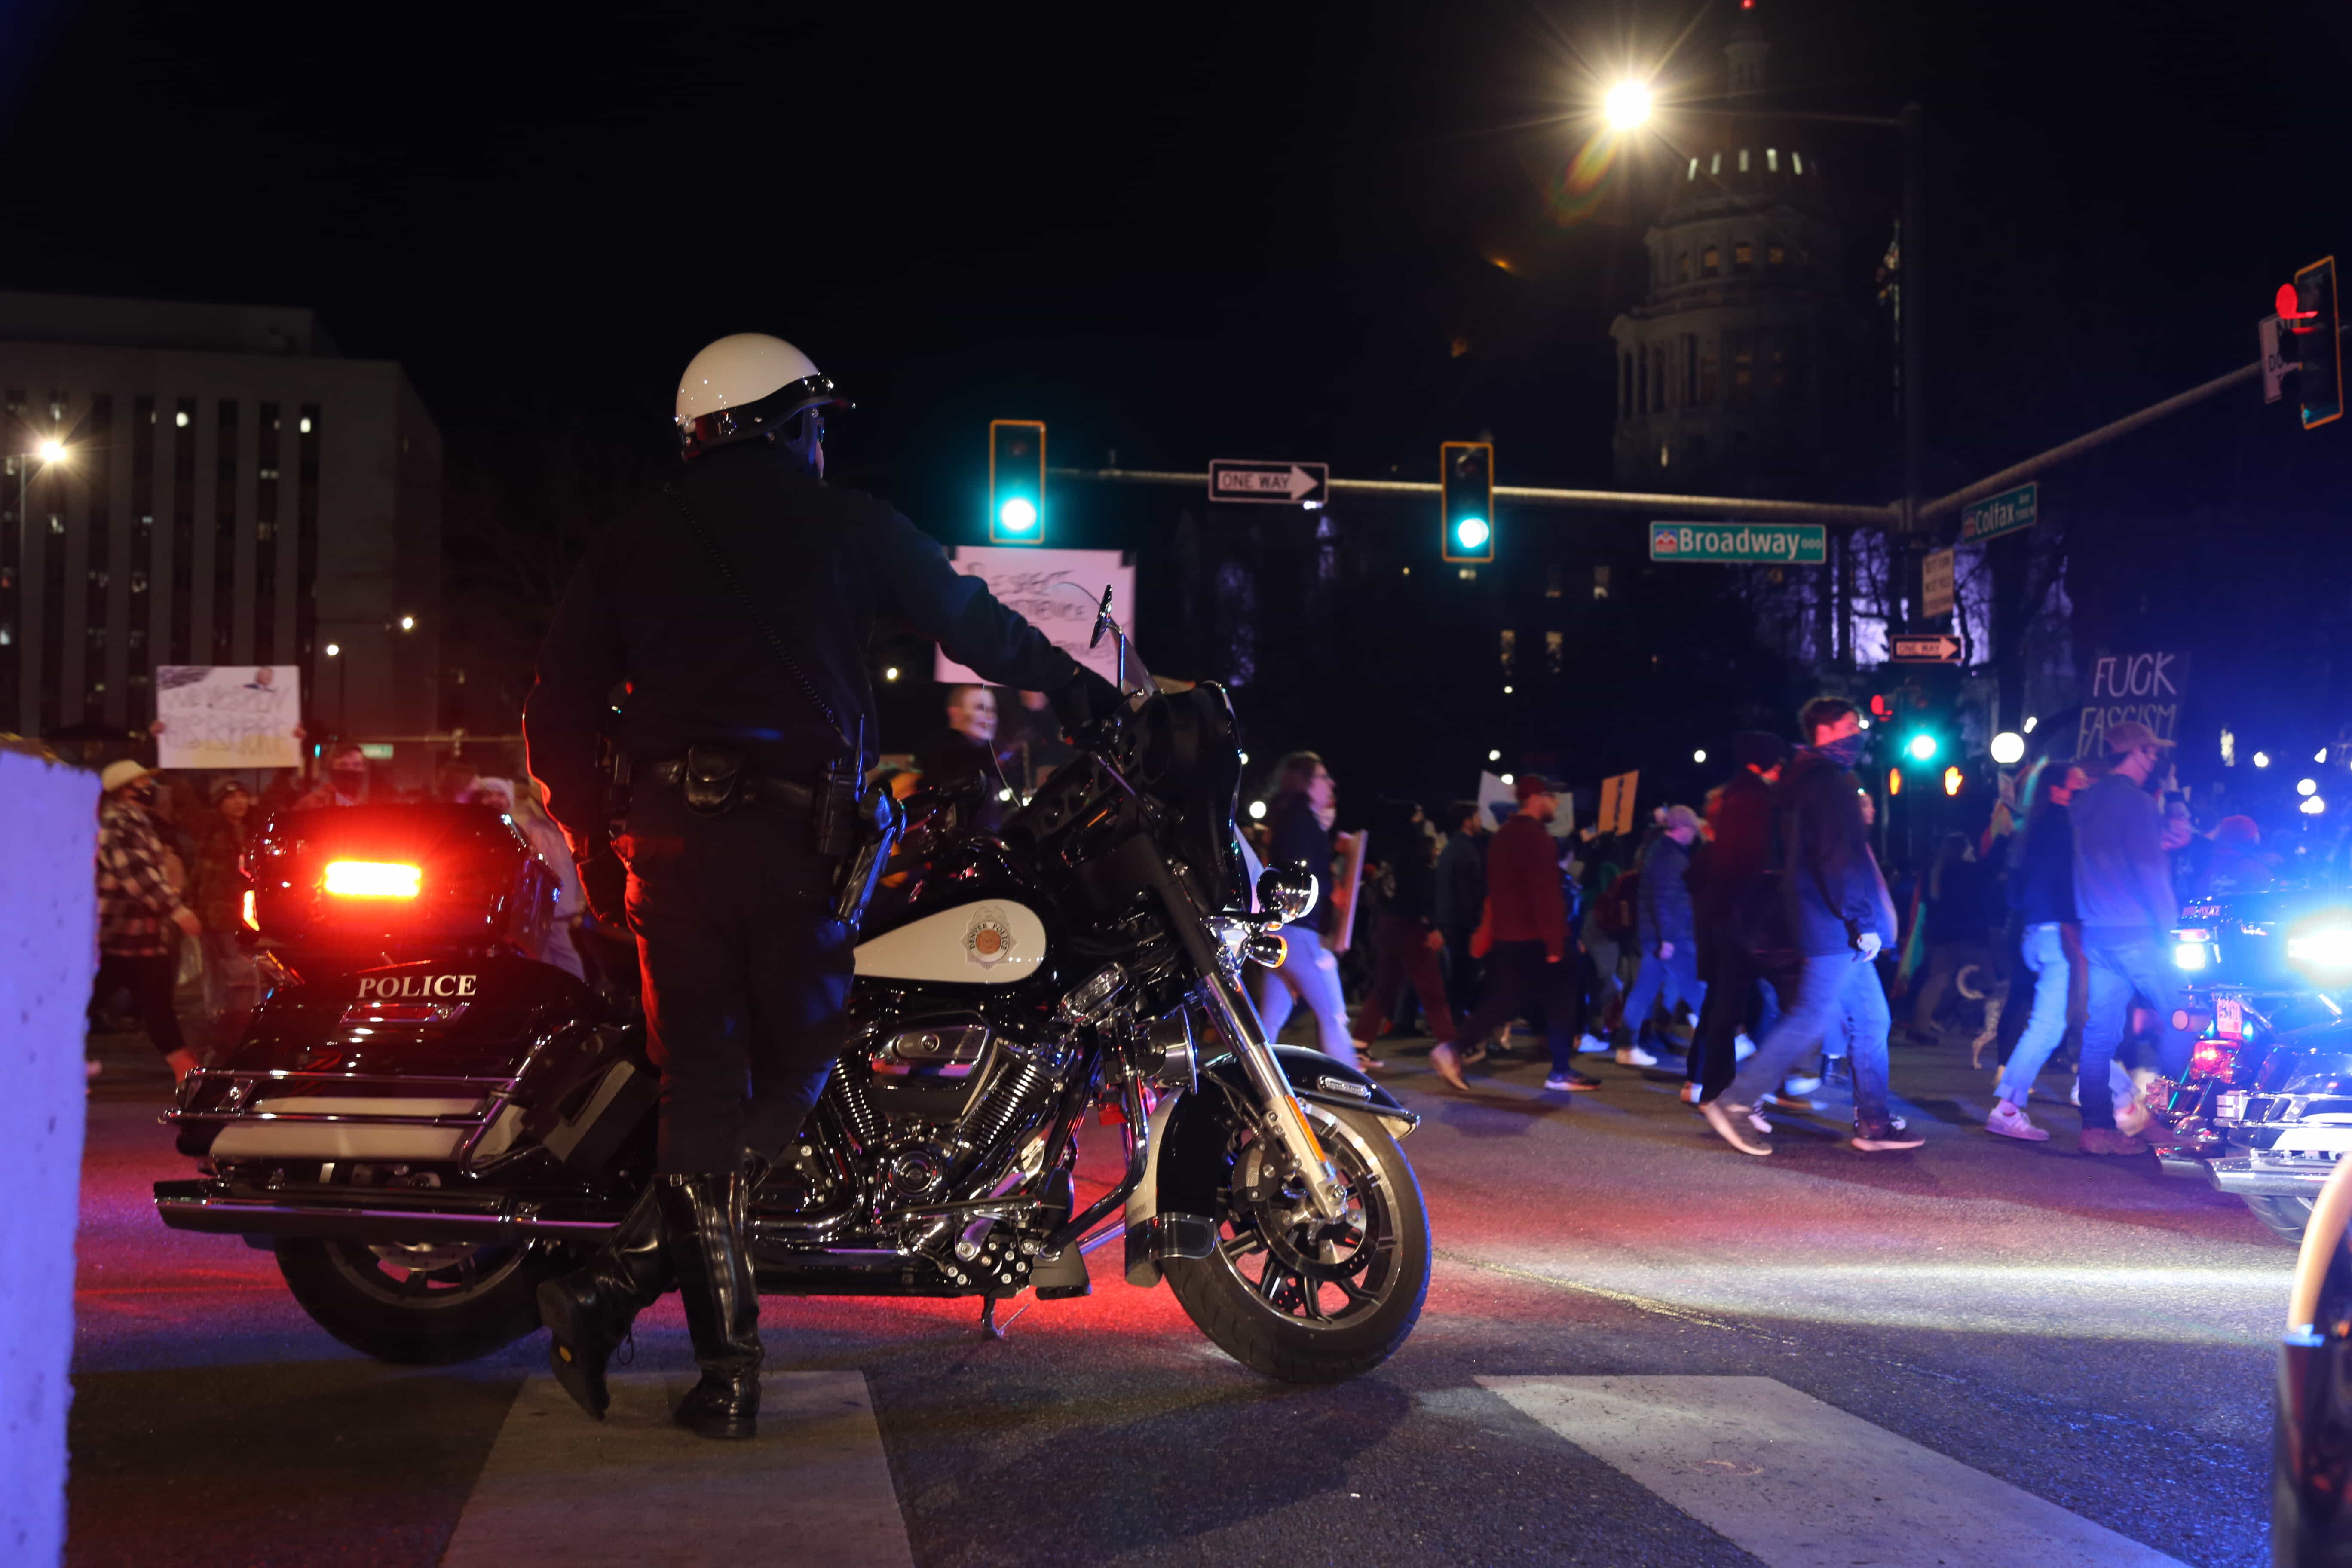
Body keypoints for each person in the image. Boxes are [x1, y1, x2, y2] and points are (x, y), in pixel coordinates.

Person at [524, 333, 1117, 1439]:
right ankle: (618, 1286)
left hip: (668, 850)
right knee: (802, 1053)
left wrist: (600, 850)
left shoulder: (628, 540)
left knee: (701, 1088)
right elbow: (976, 626)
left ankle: (723, 1377)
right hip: (794, 847)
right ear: (787, 425)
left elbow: (554, 713)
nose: (821, 444)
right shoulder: (849, 525)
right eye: (815, 425)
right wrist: (1086, 692)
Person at [1699, 698, 1922, 1156]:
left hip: (1823, 918)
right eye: (1851, 725)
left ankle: (1875, 1122)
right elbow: (1836, 857)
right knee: (1811, 1017)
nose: (1858, 734)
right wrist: (1861, 921)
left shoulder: (1802, 780)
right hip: (1833, 923)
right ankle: (1735, 1102)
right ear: (1827, 729)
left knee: (1871, 1019)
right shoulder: (1827, 783)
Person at [2069, 720, 2194, 1156]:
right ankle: (2162, 1120)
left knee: (2100, 1034)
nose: (2155, 761)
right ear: (2138, 753)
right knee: (2186, 1016)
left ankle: (2095, 1129)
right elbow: (2149, 871)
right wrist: (2172, 930)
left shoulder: (2083, 802)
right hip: (2137, 932)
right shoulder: (2138, 803)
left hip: (2097, 931)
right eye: (2153, 753)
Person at [1430, 775, 1597, 1094]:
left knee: (1509, 999)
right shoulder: (1536, 837)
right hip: (1536, 936)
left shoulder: (1503, 835)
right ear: (1536, 798)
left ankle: (1455, 1049)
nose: (1556, 803)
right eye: (1552, 797)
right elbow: (1544, 893)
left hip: (1510, 935)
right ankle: (1559, 1070)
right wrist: (1555, 942)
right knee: (1559, 995)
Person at [1985, 761, 2086, 1141]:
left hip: (2033, 932)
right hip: (2058, 933)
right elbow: (2068, 886)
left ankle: (2118, 1096)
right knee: (2051, 1025)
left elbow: (2012, 893)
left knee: (2062, 1020)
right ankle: (2007, 1109)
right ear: (2057, 791)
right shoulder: (2065, 828)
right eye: (2078, 785)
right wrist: (2071, 925)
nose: (2084, 790)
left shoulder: (2029, 832)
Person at [1686, 732, 1786, 1104]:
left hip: (1728, 924)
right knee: (1763, 1003)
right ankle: (1729, 1090)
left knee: (1725, 1005)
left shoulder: (1736, 797)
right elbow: (1752, 865)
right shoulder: (1754, 799)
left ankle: (1711, 1084)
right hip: (1744, 923)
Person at [89, 760, 204, 1082]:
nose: (151, 789)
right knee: (87, 1004)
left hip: (139, 937)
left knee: (157, 1004)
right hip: (115, 934)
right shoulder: (117, 823)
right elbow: (136, 873)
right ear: (126, 790)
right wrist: (176, 909)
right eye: (144, 783)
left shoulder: (137, 821)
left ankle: (186, 1070)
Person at [1251, 752, 1364, 1068]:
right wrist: (1332, 889)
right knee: (1332, 1013)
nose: (1331, 783)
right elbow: (1301, 878)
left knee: (1269, 1022)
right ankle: (1351, 1082)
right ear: (1306, 783)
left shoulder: (1292, 820)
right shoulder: (1302, 823)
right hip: (1298, 931)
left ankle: (1252, 1077)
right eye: (1323, 777)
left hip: (1282, 931)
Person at [1352, 802, 1456, 1061]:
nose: (1422, 818)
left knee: (1385, 987)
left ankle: (1359, 1043)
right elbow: (1418, 892)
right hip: (1411, 927)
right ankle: (1450, 1048)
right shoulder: (1415, 849)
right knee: (1432, 990)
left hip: (1389, 924)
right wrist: (1431, 925)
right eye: (1418, 813)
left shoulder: (1389, 849)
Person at [465, 777, 590, 983]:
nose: (495, 800)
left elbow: (563, 865)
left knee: (557, 953)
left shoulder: (539, 824)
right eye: (489, 795)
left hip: (544, 905)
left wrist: (576, 903)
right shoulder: (520, 823)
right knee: (545, 955)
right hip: (524, 907)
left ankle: (571, 989)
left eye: (500, 795)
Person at [1615, 804, 1705, 1066]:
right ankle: (1722, 1042)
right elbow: (1665, 901)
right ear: (1682, 828)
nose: (1695, 835)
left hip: (1657, 937)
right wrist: (1667, 939)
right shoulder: (1671, 858)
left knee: (1644, 990)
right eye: (1693, 829)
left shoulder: (1661, 852)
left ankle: (1627, 1046)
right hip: (1670, 939)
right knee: (1695, 988)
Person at [1903, 832, 1995, 1039]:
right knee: (1987, 981)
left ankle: (1920, 1027)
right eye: (1969, 847)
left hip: (1942, 936)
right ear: (1962, 850)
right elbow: (1990, 868)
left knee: (1937, 981)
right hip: (1969, 936)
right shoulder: (1966, 872)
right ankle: (1978, 1024)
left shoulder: (1935, 874)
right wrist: (2003, 839)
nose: (1973, 851)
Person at [190, 777, 259, 1049]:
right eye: (231, 797)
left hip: (247, 915)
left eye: (243, 796)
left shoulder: (252, 830)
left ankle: (232, 1026)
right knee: (227, 972)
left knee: (238, 972)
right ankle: (227, 1029)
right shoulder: (210, 831)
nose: (239, 802)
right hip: (219, 914)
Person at [917, 684, 1013, 826]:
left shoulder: (992, 761)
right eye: (981, 708)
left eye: (993, 710)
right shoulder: (946, 762)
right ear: (955, 713)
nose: (990, 717)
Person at [1433, 800, 1488, 1032]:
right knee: (1465, 974)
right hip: (1464, 923)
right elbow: (1468, 892)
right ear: (1467, 821)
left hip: (1453, 921)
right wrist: (1476, 922)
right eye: (1478, 817)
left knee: (1459, 974)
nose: (1481, 822)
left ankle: (1455, 1021)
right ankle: (1457, 1024)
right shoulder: (1466, 851)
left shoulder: (1452, 848)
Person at [297, 743, 371, 808]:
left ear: (364, 768)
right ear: (331, 770)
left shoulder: (368, 803)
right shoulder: (311, 803)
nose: (350, 769)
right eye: (343, 765)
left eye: (357, 765)